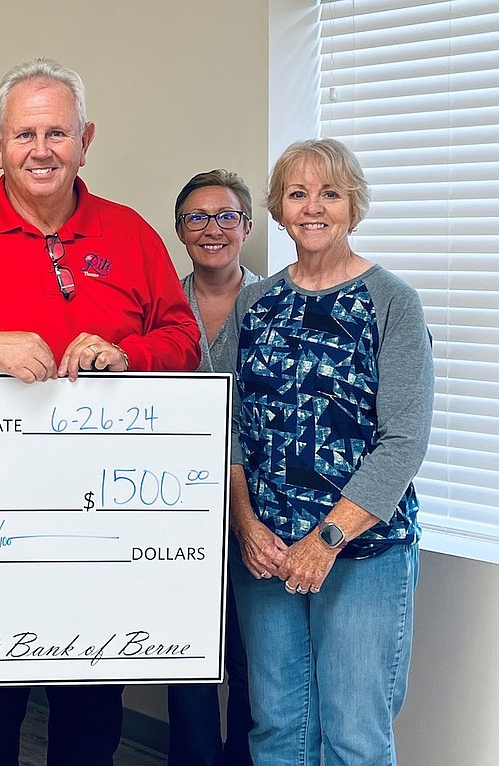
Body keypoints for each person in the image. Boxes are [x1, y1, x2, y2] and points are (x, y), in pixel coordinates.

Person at [0, 58, 201, 766]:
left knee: (91, 711)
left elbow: (184, 340)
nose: (41, 149)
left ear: (85, 138)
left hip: (103, 522)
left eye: (56, 132)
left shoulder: (130, 234)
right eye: (24, 133)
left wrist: (127, 357)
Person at [221, 139, 433, 766]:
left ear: (354, 208)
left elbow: (404, 440)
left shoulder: (392, 302)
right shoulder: (255, 305)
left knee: (353, 736)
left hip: (362, 552)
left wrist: (326, 541)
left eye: (330, 194)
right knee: (278, 728)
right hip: (266, 553)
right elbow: (227, 423)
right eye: (297, 193)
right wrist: (247, 524)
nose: (313, 208)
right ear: (279, 211)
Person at [167, 170, 260, 766]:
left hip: (261, 511)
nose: (213, 229)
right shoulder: (161, 308)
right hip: (182, 510)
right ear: (180, 232)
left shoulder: (280, 303)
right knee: (189, 659)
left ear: (248, 227)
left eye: (227, 216)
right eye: (197, 218)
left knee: (258, 659)